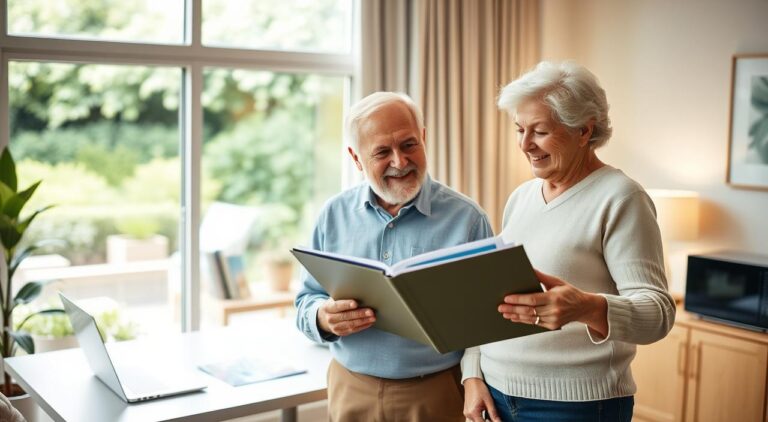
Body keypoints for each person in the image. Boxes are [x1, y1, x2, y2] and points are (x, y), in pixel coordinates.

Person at [462, 61, 676, 422]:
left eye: (540, 132)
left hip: (574, 407)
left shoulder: (621, 199)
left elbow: (658, 312)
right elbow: (491, 302)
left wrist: (588, 307)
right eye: (519, 130)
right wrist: (472, 374)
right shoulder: (521, 197)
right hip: (496, 397)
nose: (525, 144)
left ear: (583, 131)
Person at [295, 91, 493, 421]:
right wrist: (322, 318)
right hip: (350, 388)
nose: (400, 162)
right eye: (382, 152)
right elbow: (306, 300)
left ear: (424, 138)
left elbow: (485, 322)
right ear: (356, 159)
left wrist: (474, 379)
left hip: (438, 392)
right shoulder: (332, 215)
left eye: (409, 144)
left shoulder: (468, 219)